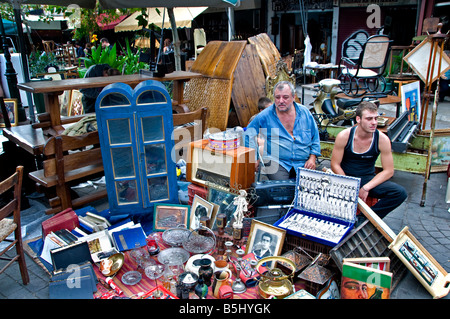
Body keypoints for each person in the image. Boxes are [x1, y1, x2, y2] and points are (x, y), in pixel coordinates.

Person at [330, 101, 407, 219]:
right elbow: (335, 164)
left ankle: (364, 220)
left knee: (399, 193)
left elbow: (389, 171)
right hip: (345, 178)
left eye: (376, 118)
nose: (374, 123)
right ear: (358, 119)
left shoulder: (382, 139)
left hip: (367, 179)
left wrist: (366, 187)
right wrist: (349, 185)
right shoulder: (344, 136)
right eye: (369, 119)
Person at [245, 81, 321, 180]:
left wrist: (312, 158)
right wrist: (254, 159)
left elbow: (315, 137)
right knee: (281, 190)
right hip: (277, 161)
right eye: (277, 97)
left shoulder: (305, 113)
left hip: (303, 161)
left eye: (285, 97)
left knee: (312, 189)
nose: (281, 101)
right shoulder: (265, 115)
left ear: (293, 97)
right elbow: (248, 135)